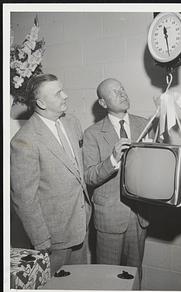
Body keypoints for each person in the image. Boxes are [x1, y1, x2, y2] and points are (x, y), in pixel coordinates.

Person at [10, 74, 92, 276]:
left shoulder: (72, 123)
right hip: (53, 238)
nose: (65, 96)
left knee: (81, 284)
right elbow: (24, 198)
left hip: (81, 226)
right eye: (58, 93)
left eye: (62, 90)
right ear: (41, 103)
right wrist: (41, 240)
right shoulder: (25, 140)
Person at [82, 78, 157, 280]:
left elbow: (156, 170)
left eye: (122, 88)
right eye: (115, 92)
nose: (122, 93)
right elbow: (89, 176)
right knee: (107, 278)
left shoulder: (146, 125)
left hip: (139, 216)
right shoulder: (92, 134)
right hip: (110, 218)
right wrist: (113, 159)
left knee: (134, 275)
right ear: (103, 103)